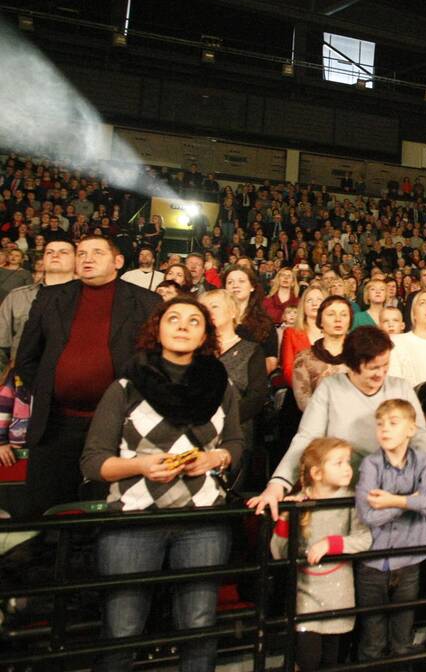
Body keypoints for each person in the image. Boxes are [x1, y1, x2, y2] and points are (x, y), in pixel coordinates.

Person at [79, 297, 244, 672]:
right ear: (158, 328)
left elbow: (235, 443)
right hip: (134, 521)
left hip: (202, 522)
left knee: (199, 626)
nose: (183, 326)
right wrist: (140, 465)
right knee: (122, 629)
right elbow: (93, 461)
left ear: (205, 333)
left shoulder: (221, 384)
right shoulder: (127, 385)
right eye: (174, 318)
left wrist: (213, 459)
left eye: (193, 321)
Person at [249, 326, 426, 521]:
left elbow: (420, 438)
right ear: (352, 365)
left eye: (385, 365)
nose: (381, 373)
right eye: (372, 368)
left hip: (391, 494)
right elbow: (307, 438)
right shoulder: (330, 388)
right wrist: (278, 484)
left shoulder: (400, 387)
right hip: (342, 494)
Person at [16, 235, 161, 518]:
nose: (87, 259)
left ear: (118, 262)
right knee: (47, 504)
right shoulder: (50, 297)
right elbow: (26, 358)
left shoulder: (146, 302)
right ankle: (46, 556)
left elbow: (155, 361)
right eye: (81, 254)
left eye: (96, 253)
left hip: (117, 423)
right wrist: (51, 389)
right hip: (56, 422)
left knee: (106, 506)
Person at [355, 399, 426, 661]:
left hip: (408, 562)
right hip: (373, 563)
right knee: (372, 642)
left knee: (402, 642)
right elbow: (369, 514)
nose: (385, 429)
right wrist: (413, 500)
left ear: (411, 429)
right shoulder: (371, 464)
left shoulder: (423, 461)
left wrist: (394, 501)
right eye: (380, 424)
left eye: (393, 423)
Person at [271, 438, 372, 672]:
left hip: (340, 596)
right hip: (307, 596)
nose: (348, 468)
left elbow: (364, 538)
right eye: (338, 463)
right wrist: (286, 520)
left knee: (331, 662)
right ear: (317, 472)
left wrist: (331, 544)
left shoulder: (352, 501)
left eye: (348, 461)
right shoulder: (299, 502)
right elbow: (278, 552)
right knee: (308, 660)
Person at [199, 290, 269, 450]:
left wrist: (223, 420)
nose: (208, 311)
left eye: (214, 306)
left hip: (235, 431)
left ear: (232, 311)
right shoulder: (194, 349)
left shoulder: (251, 350)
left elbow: (256, 397)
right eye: (204, 308)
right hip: (195, 431)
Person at [0, 238, 76, 369]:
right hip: (23, 380)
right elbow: (2, 346)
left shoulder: (90, 298)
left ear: (76, 260)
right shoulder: (17, 296)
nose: (55, 255)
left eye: (63, 252)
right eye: (49, 252)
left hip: (72, 379)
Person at [291, 295, 352, 411]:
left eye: (344, 314)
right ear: (321, 321)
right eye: (331, 314)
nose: (338, 319)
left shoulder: (361, 356)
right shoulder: (304, 358)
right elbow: (303, 401)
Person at [224, 265, 278, 375]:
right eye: (230, 282)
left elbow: (271, 360)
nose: (235, 285)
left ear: (252, 287)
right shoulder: (215, 319)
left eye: (241, 281)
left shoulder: (264, 322)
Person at [279, 285, 326, 388]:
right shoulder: (290, 333)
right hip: (299, 392)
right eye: (309, 300)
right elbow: (288, 370)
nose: (314, 303)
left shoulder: (334, 333)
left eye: (319, 299)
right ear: (303, 306)